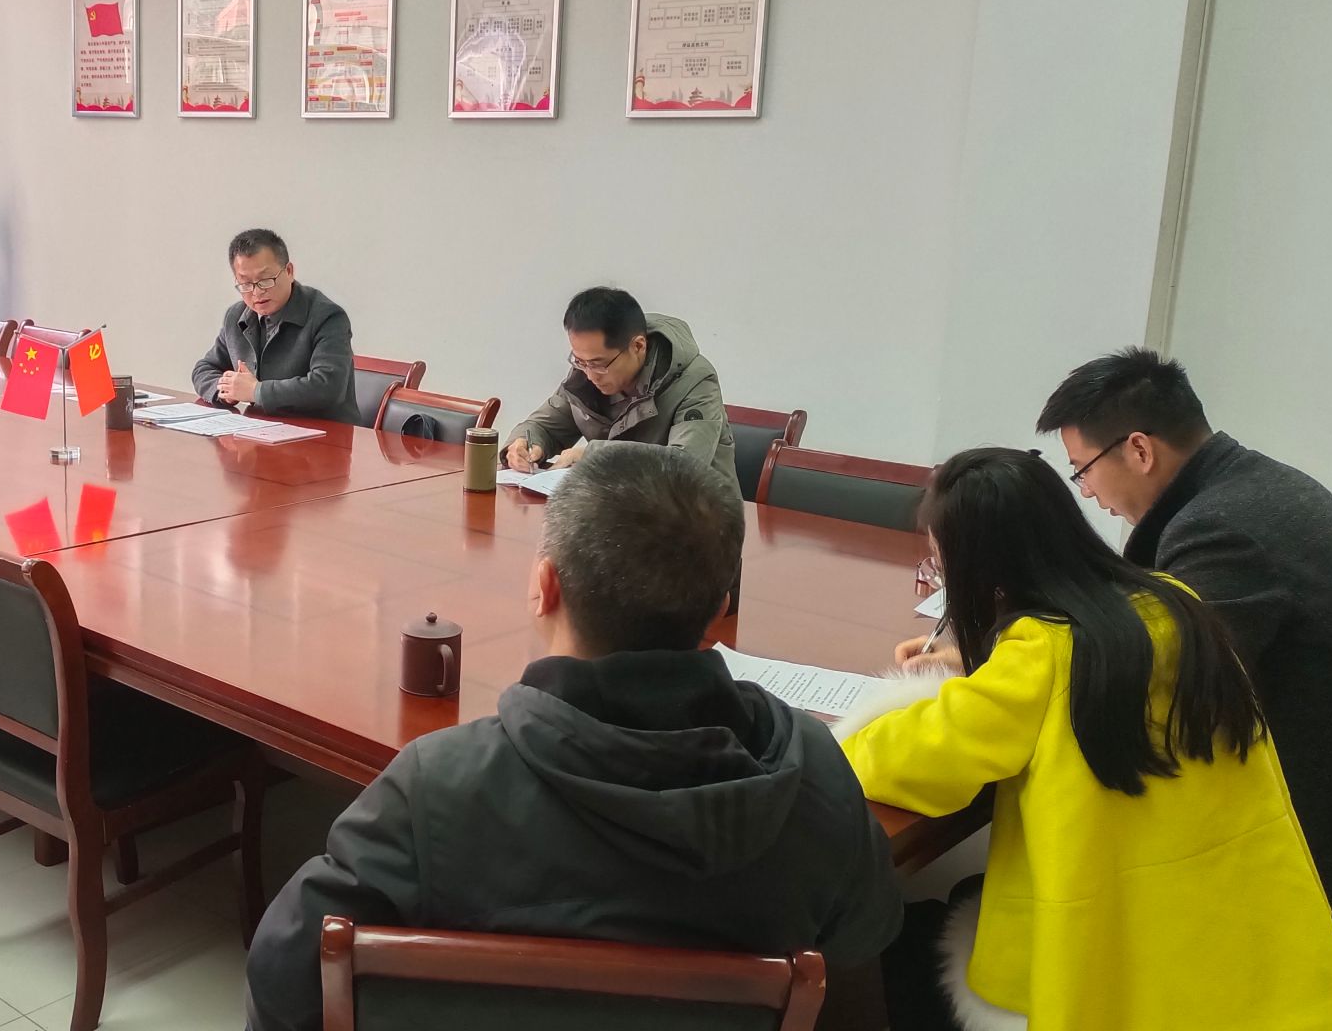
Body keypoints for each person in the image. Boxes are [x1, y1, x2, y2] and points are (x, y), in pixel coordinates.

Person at [245, 443, 902, 1031]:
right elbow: (863, 945)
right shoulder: (814, 772)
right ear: (718, 611)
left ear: (544, 586)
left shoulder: (439, 784)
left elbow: (286, 973)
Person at [846, 448, 1332, 1031]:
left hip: (1126, 959)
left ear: (980, 570)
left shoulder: (1040, 655)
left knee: (899, 959)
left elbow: (913, 760)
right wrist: (977, 660)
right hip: (1245, 944)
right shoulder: (1175, 602)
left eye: (942, 566)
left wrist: (853, 728)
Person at [1028, 347, 1332, 949]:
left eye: (1082, 470)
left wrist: (1008, 659)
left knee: (1082, 869)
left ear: (1139, 450)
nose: (1086, 492)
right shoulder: (1256, 485)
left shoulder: (1219, 527)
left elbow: (1157, 687)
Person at [502, 287, 739, 494]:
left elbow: (685, 466)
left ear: (638, 346)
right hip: (621, 507)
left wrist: (594, 455)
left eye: (599, 364)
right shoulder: (587, 373)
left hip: (698, 515)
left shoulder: (695, 380)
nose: (590, 375)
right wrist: (525, 444)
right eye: (580, 361)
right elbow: (546, 426)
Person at [192, 228, 356, 423]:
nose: (257, 292)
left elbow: (327, 386)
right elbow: (204, 368)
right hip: (260, 429)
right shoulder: (236, 316)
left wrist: (256, 391)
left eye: (265, 280)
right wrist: (226, 391)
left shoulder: (327, 316)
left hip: (325, 433)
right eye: (246, 284)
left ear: (289, 271)